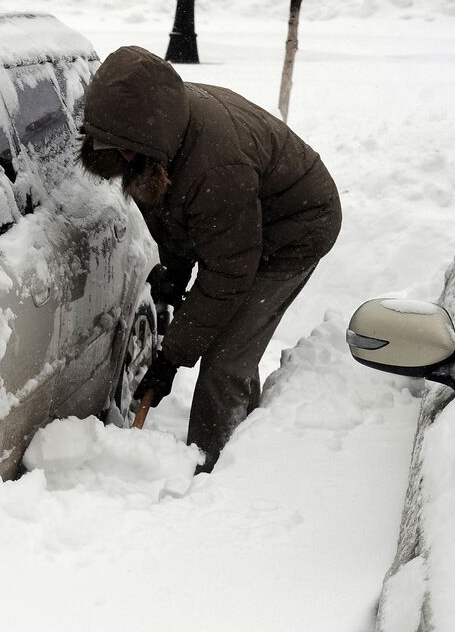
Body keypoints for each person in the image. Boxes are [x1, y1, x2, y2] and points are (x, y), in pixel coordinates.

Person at [79, 46, 342, 472]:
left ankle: (216, 471)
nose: (116, 157)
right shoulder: (153, 143)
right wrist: (174, 274)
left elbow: (228, 274)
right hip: (243, 225)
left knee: (225, 357)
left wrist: (172, 357)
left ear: (147, 142)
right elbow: (176, 219)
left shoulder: (214, 167)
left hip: (297, 227)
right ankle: (242, 432)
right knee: (225, 338)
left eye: (124, 150)